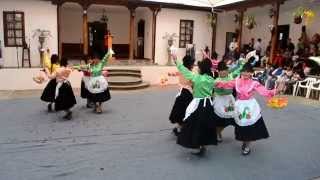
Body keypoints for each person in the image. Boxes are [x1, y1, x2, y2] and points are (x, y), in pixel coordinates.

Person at [215, 63, 276, 155]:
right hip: (239, 106)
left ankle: (247, 145)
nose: (245, 73)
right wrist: (213, 83)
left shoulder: (254, 83)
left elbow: (264, 92)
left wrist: (276, 91)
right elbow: (226, 84)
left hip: (250, 106)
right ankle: (244, 141)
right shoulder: (236, 81)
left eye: (248, 71)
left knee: (250, 126)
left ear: (251, 73)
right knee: (241, 126)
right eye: (244, 71)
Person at [172, 54, 218, 157]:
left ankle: (197, 145)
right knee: (206, 125)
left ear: (201, 69)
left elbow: (185, 71)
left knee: (194, 125)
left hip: (198, 105)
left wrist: (176, 61)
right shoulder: (212, 79)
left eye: (199, 67)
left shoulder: (196, 78)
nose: (197, 68)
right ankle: (204, 145)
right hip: (208, 105)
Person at [213, 60, 244, 142]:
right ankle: (217, 133)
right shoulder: (216, 81)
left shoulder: (231, 76)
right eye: (221, 71)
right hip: (219, 102)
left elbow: (238, 71)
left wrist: (240, 64)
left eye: (225, 70)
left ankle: (244, 137)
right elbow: (215, 90)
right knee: (220, 121)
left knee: (234, 119)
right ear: (218, 71)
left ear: (227, 70)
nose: (223, 72)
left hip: (229, 101)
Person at [169, 55, 195, 136]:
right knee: (187, 113)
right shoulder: (190, 74)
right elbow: (193, 85)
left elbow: (178, 67)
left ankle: (178, 128)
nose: (193, 65)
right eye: (193, 64)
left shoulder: (182, 71)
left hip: (181, 94)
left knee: (180, 113)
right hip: (188, 95)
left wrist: (175, 59)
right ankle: (181, 130)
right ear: (190, 64)